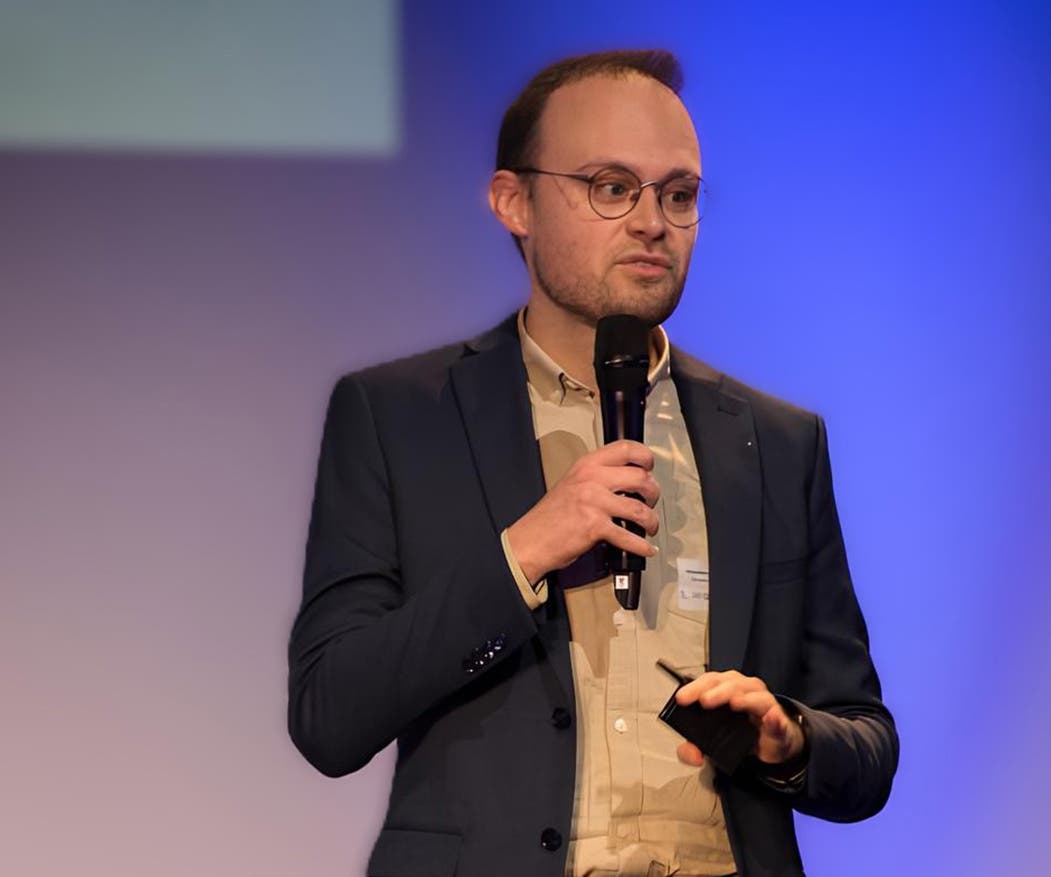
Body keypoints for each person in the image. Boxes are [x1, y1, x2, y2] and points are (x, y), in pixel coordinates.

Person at [288, 49, 898, 877]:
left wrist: (786, 736)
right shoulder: (399, 415)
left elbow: (863, 744)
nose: (652, 222)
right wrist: (524, 553)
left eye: (678, 195)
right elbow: (330, 715)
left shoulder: (777, 441)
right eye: (612, 187)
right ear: (515, 202)